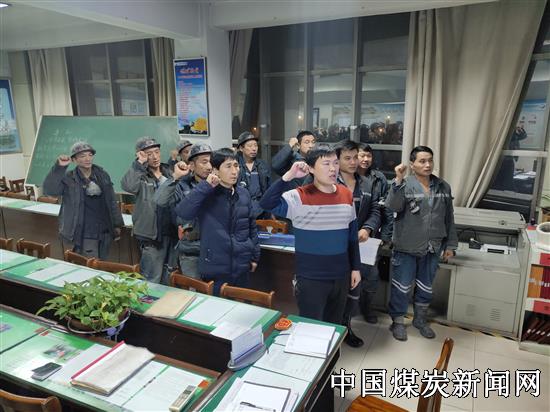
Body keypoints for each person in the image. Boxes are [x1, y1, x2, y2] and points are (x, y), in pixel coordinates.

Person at [260, 144, 361, 323]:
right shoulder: (298, 196)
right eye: (326, 164)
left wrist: (355, 268)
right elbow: (266, 203)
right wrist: (289, 176)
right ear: (311, 168)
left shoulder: (346, 195)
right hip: (310, 277)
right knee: (310, 326)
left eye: (335, 163)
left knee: (335, 325)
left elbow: (352, 236)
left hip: (341, 275)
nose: (333, 169)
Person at [386, 146, 457, 341]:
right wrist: (398, 180)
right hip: (406, 246)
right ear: (412, 164)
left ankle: (420, 320)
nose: (427, 165)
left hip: (432, 247)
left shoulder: (443, 186)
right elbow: (393, 206)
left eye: (430, 160)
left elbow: (449, 218)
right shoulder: (404, 184)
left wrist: (450, 245)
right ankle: (398, 322)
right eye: (422, 161)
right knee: (401, 287)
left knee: (426, 286)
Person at [175, 148, 260, 295]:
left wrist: (254, 256)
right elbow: (183, 212)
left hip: (241, 265)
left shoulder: (243, 194)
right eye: (228, 166)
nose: (234, 171)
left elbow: (251, 226)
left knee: (241, 305)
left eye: (236, 165)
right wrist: (205, 186)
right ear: (215, 170)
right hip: (215, 267)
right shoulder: (206, 193)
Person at [43, 141, 123, 259]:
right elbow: (50, 191)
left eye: (90, 155)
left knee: (103, 264)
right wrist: (59, 167)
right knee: (90, 264)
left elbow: (111, 200)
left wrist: (117, 224)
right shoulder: (69, 178)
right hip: (85, 232)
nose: (87, 159)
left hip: (105, 230)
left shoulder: (102, 175)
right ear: (74, 160)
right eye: (82, 156)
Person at [336, 140, 381, 347]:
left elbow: (375, 210)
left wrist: (368, 228)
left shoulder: (366, 183)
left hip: (359, 245)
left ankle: (346, 327)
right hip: (334, 246)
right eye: (348, 158)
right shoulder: (328, 182)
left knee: (354, 288)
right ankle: (330, 328)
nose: (354, 162)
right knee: (336, 290)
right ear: (337, 160)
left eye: (355, 157)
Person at [121, 137, 177, 284]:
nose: (155, 157)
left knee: (169, 279)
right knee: (151, 279)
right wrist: (139, 163)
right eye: (149, 154)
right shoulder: (141, 175)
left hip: (171, 232)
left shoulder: (169, 171)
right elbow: (129, 186)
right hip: (151, 236)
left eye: (157, 152)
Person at [154, 144, 212, 278]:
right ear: (192, 165)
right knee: (195, 288)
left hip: (215, 249)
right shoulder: (182, 185)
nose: (209, 167)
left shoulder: (218, 185)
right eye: (204, 162)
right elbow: (159, 200)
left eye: (211, 162)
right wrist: (175, 176)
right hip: (191, 250)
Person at [356, 143, 394, 324]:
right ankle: (347, 309)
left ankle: (367, 306)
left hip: (370, 237)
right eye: (361, 155)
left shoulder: (379, 178)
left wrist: (386, 236)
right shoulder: (346, 176)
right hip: (347, 235)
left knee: (371, 275)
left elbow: (385, 208)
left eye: (368, 156)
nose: (365, 159)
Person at [236, 132, 271, 218]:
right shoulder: (235, 165)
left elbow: (268, 189)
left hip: (260, 210)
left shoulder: (263, 165)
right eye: (250, 146)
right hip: (241, 210)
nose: (254, 149)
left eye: (255, 145)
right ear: (241, 148)